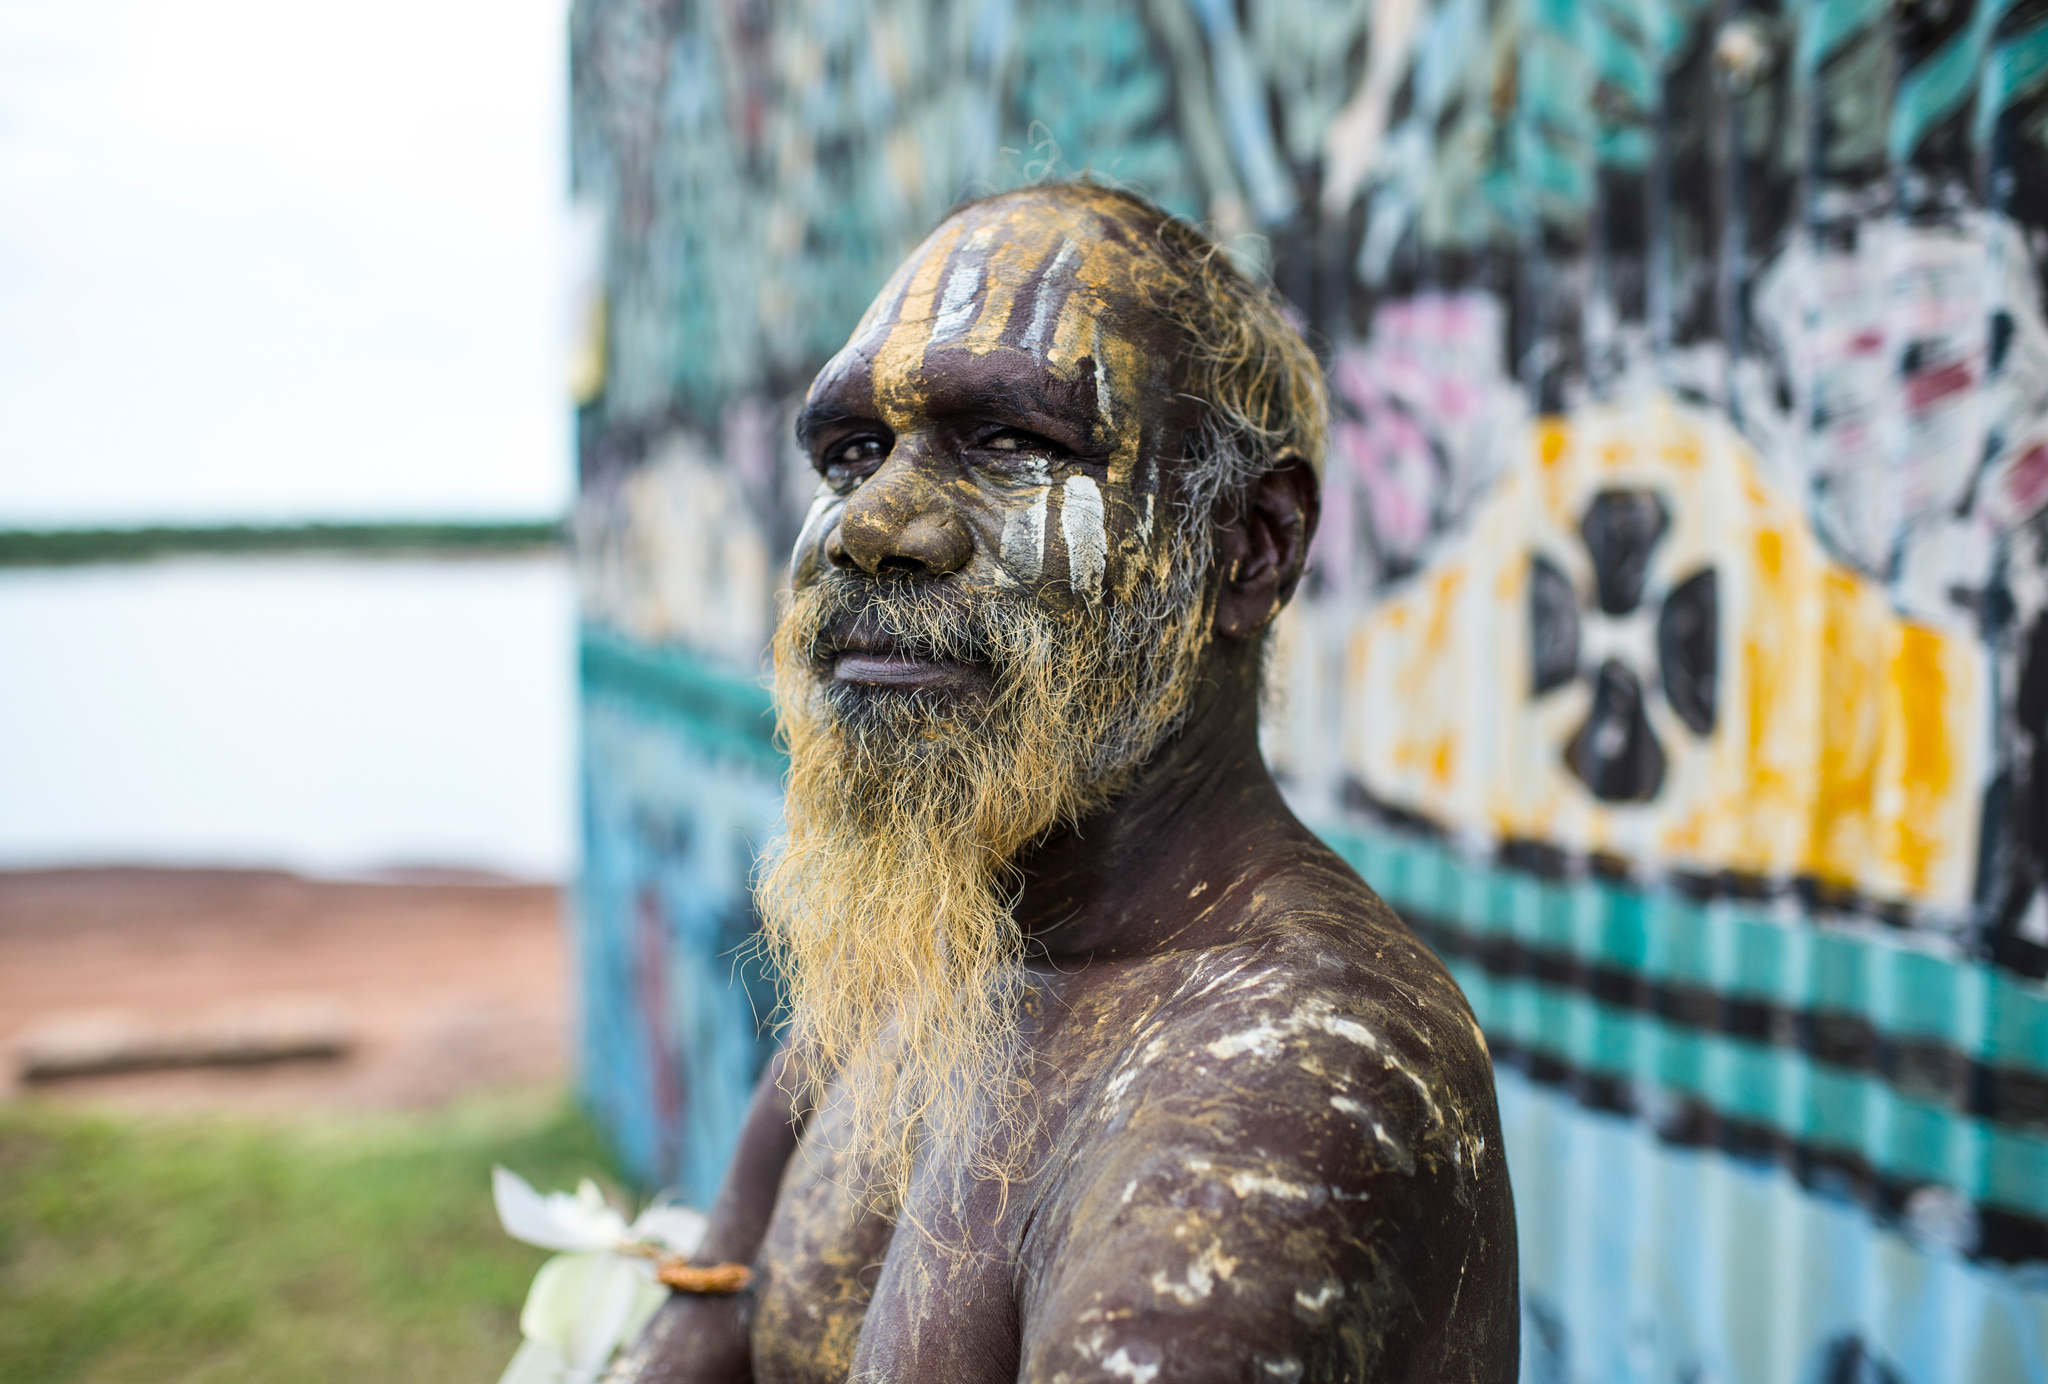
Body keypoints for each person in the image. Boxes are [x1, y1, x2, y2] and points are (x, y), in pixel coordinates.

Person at [617, 181, 1516, 1384]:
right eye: (848, 453)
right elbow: (706, 1311)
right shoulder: (941, 928)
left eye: (1006, 443)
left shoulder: (1283, 1070)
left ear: (1246, 548)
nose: (871, 522)